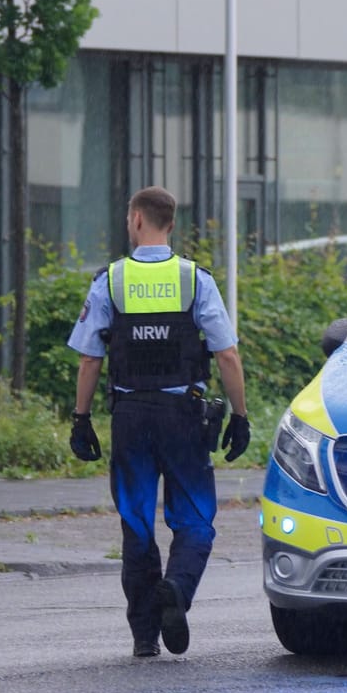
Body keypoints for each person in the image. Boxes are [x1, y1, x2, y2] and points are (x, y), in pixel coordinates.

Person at [67, 187, 250, 658]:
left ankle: (144, 635)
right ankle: (177, 590)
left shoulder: (111, 280)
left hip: (130, 418)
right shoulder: (195, 280)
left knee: (136, 525)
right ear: (171, 223)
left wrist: (81, 418)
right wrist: (240, 415)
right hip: (183, 417)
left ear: (136, 220)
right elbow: (226, 354)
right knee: (195, 521)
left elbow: (91, 359)